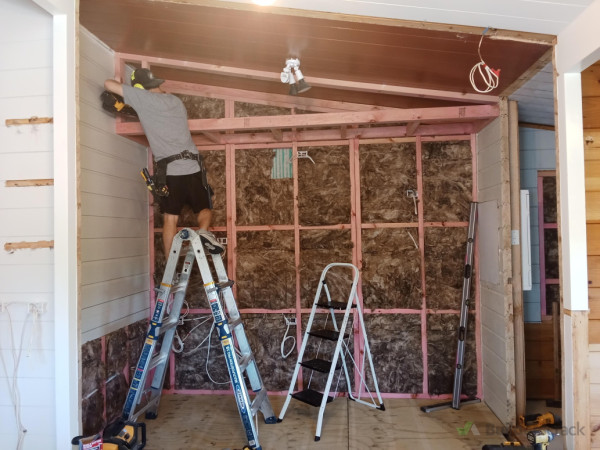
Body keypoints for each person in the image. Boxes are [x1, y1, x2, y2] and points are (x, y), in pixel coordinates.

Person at [104, 68, 224, 256]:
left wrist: (133, 94)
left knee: (170, 218)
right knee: (204, 208)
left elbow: (108, 84)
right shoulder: (176, 101)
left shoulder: (143, 98)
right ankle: (203, 233)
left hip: (171, 171)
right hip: (193, 166)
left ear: (140, 86)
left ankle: (170, 263)